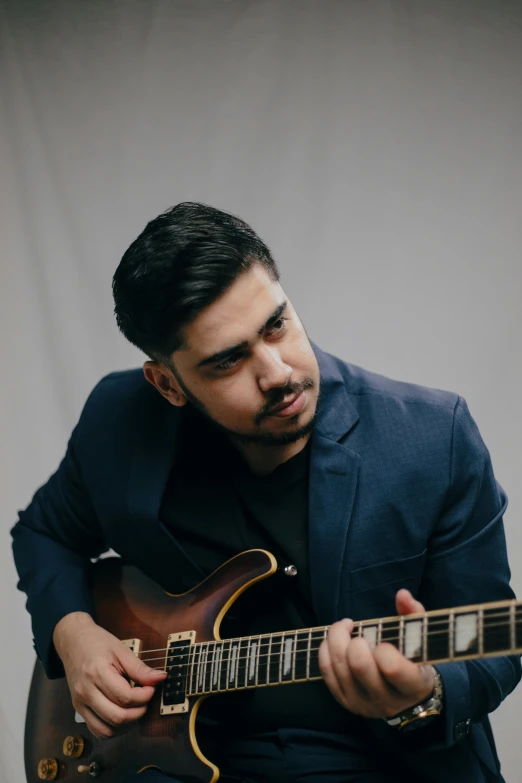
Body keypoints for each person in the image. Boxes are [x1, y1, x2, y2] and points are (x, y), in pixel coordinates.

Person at [11, 202, 520, 783]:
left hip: (384, 762)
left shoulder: (431, 437)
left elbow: (496, 647)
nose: (277, 372)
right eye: (229, 360)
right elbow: (44, 532)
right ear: (168, 385)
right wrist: (73, 634)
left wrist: (421, 694)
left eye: (277, 324)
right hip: (184, 759)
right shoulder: (119, 419)